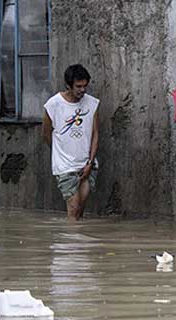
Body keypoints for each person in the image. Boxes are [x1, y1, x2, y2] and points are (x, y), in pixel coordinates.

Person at [42, 64, 100, 222]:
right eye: (78, 86)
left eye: (85, 86)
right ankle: (70, 243)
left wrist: (89, 162)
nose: (82, 90)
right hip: (65, 166)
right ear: (68, 85)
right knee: (73, 208)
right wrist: (60, 153)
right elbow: (46, 134)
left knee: (79, 209)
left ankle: (78, 244)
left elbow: (95, 134)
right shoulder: (53, 104)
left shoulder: (92, 103)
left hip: (86, 164)